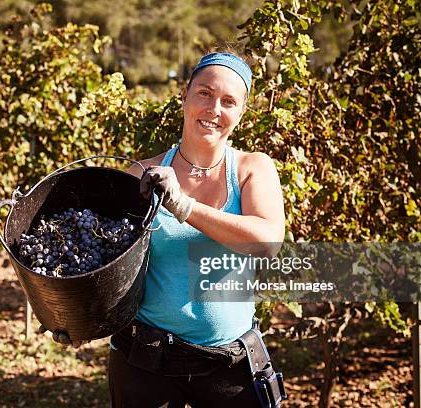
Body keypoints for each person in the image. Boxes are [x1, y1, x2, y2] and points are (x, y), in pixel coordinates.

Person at [46, 50, 285, 407]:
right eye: (204, 93)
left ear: (241, 113)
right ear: (185, 95)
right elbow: (110, 262)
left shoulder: (253, 169)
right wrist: (80, 317)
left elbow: (267, 242)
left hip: (229, 366)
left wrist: (185, 207)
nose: (214, 109)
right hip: (145, 361)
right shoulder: (142, 175)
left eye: (228, 101)